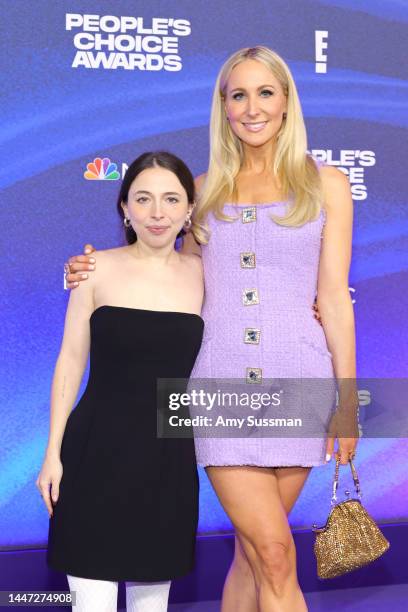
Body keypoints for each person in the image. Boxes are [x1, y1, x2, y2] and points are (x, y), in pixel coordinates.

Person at [63, 46, 359, 612]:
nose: (252, 108)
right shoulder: (203, 191)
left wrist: (347, 403)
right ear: (223, 107)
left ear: (287, 101)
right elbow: (158, 265)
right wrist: (88, 266)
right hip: (220, 387)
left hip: (301, 383)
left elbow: (334, 299)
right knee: (274, 551)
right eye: (238, 95)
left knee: (252, 556)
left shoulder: (329, 185)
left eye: (265, 92)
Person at [36, 151, 204, 612]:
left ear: (189, 209)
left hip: (167, 459)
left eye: (171, 199)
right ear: (124, 208)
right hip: (94, 453)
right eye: (143, 199)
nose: (158, 212)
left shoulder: (206, 276)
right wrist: (52, 453)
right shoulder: (95, 268)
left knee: (152, 603)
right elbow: (70, 360)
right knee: (91, 602)